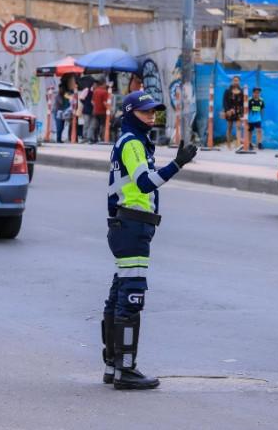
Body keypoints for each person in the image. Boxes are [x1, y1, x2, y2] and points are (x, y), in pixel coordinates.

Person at [101, 91, 198, 390]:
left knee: (119, 293)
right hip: (132, 225)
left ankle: (113, 366)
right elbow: (144, 183)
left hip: (126, 224)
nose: (151, 115)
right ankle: (126, 371)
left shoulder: (132, 141)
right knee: (131, 296)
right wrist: (177, 164)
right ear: (131, 113)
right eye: (145, 111)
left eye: (154, 110)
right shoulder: (132, 142)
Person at [221, 76, 244, 150]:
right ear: (232, 81)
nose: (236, 82)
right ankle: (228, 145)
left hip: (238, 111)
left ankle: (238, 144)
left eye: (237, 80)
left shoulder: (242, 91)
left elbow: (243, 103)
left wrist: (242, 112)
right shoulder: (227, 91)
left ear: (239, 82)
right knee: (229, 127)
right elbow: (224, 102)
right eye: (234, 80)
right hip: (230, 111)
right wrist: (227, 110)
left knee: (238, 127)